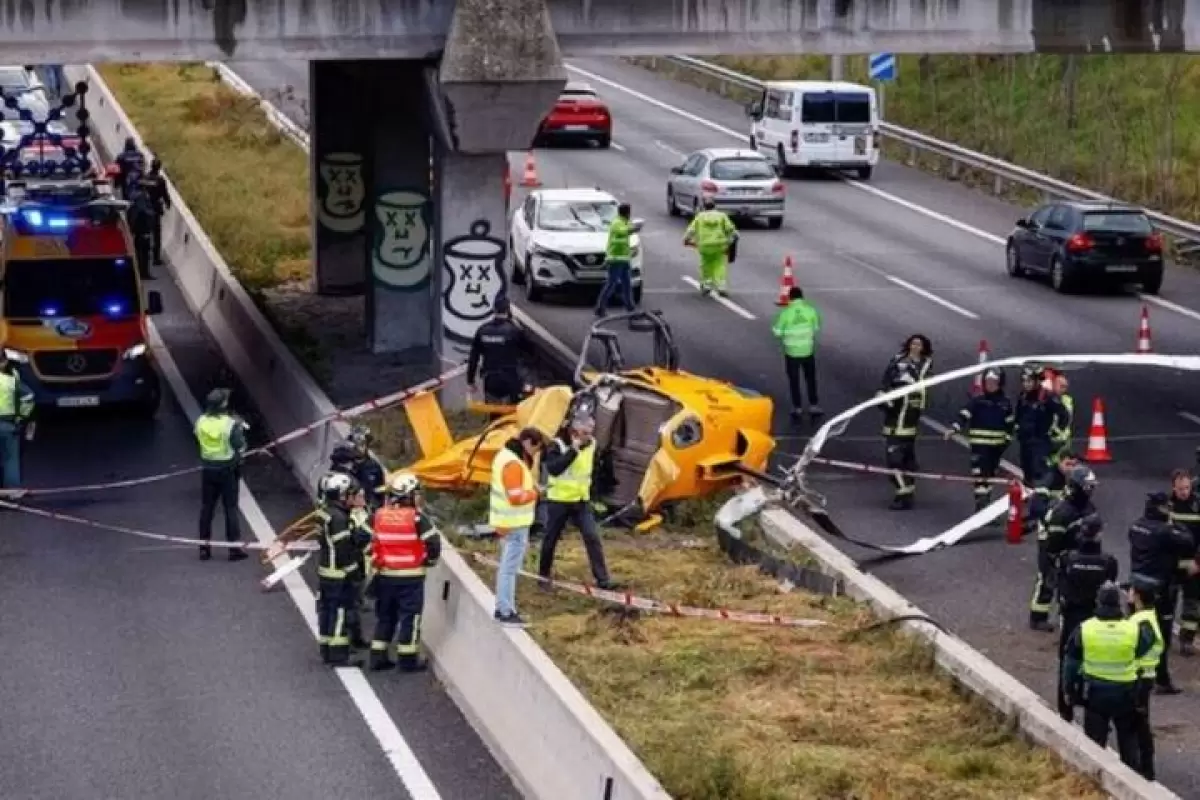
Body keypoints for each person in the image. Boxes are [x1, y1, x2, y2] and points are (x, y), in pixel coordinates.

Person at [1061, 581, 1154, 773]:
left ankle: (1092, 781)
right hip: (1126, 695)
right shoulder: (1132, 629)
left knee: (1094, 747)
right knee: (1128, 742)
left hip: (1096, 696)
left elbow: (1070, 664)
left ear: (1098, 603)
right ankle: (1132, 779)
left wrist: (1069, 690)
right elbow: (1144, 647)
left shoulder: (1085, 629)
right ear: (1118, 605)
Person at [369, 472, 441, 672]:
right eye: (417, 493)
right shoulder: (417, 518)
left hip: (385, 576)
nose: (419, 497)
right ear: (409, 495)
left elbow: (366, 539)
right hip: (411, 577)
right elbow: (433, 543)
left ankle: (377, 656)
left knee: (385, 616)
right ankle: (407, 660)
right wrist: (430, 560)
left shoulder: (379, 515)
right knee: (410, 618)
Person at [538, 413, 619, 590]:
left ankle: (603, 579)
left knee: (592, 536)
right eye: (585, 432)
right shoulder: (557, 444)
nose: (588, 436)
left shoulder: (592, 444)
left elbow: (593, 468)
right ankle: (543, 577)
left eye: (590, 431)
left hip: (581, 501)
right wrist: (573, 451)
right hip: (558, 500)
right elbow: (554, 469)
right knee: (550, 539)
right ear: (575, 430)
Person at [1129, 491, 1196, 693]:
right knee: (1161, 634)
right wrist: (1174, 523)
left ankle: (1135, 673)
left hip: (1138, 585)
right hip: (1160, 588)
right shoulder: (1164, 531)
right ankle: (1161, 679)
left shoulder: (1136, 526)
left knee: (1138, 629)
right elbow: (1188, 540)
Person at [1055, 515, 1117, 721]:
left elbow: (1060, 585)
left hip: (1072, 617)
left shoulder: (1067, 559)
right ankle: (1095, 711)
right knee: (1097, 663)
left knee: (1067, 659)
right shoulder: (1108, 562)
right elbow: (1110, 588)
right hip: (1095, 618)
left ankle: (1065, 706)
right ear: (1098, 534)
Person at [1030, 464, 1097, 632]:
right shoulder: (1062, 510)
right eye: (1088, 487)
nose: (1090, 490)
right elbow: (1055, 539)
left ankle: (1069, 618)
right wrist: (1055, 556)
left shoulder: (1087, 506)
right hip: (1051, 546)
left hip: (1072, 547)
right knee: (1048, 579)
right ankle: (1038, 617)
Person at [489, 426, 546, 625]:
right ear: (528, 442)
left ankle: (505, 608)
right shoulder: (513, 463)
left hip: (506, 522)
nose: (534, 454)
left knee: (508, 568)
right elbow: (515, 497)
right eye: (535, 449)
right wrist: (535, 494)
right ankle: (505, 611)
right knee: (509, 569)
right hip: (514, 523)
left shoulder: (505, 456)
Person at [946, 367, 1014, 512]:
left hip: (996, 448)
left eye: (994, 382)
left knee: (990, 476)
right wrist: (954, 428)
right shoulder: (977, 401)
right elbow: (963, 415)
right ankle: (981, 506)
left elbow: (1010, 424)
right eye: (988, 382)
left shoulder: (1005, 403)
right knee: (979, 476)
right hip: (979, 447)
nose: (990, 385)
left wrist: (1006, 441)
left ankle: (985, 505)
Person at [878, 334, 933, 511]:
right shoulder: (896, 360)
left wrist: (908, 379)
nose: (915, 347)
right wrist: (884, 395)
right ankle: (905, 492)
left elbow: (922, 383)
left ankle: (904, 493)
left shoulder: (925, 364)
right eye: (913, 343)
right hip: (893, 413)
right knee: (898, 458)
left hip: (908, 413)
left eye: (919, 344)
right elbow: (886, 380)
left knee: (898, 459)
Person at [314, 471, 364, 667]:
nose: (354, 497)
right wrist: (353, 572)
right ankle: (338, 655)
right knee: (339, 612)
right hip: (339, 574)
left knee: (326, 611)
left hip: (326, 571)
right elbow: (343, 549)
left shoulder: (325, 512)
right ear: (343, 495)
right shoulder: (339, 518)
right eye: (351, 494)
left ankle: (326, 649)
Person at [195, 388, 248, 561]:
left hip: (208, 471)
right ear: (223, 405)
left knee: (207, 508)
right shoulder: (230, 424)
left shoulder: (201, 421)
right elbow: (240, 447)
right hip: (227, 471)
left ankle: (204, 548)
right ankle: (234, 550)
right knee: (230, 509)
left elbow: (198, 437)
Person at [1127, 576, 1166, 781]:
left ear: (1139, 596)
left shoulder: (1142, 622)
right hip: (1142, 678)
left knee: (1138, 725)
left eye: (1131, 591)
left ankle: (1145, 769)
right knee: (1137, 723)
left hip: (1139, 679)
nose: (1128, 594)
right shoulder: (1146, 617)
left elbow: (1134, 650)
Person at [467, 296, 531, 405]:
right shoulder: (514, 330)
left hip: (490, 380)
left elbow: (473, 358)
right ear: (508, 310)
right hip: (511, 380)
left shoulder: (482, 330)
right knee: (513, 413)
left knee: (494, 412)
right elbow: (529, 351)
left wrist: (470, 381)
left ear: (494, 310)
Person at [771, 286, 823, 420]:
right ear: (802, 297)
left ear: (790, 298)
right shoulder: (810, 311)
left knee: (794, 380)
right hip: (807, 351)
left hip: (792, 352)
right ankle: (813, 405)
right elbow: (816, 327)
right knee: (810, 379)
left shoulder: (785, 313)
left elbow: (777, 332)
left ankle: (797, 407)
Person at [1014, 364, 1068, 489]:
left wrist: (1056, 431)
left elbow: (1063, 415)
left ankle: (1041, 497)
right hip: (1025, 441)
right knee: (1026, 468)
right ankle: (1029, 491)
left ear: (1037, 381)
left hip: (1040, 441)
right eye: (1024, 381)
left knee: (1039, 470)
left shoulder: (1047, 397)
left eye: (1029, 381)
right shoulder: (1023, 397)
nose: (1026, 384)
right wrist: (1017, 428)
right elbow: (1019, 414)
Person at [1167, 469, 1200, 656]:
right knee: (1166, 603)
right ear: (1174, 487)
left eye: (1187, 488)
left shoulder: (1198, 504)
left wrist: (1198, 562)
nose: (1184, 492)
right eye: (1180, 489)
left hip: (1192, 566)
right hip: (1172, 565)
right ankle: (1164, 637)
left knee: (1192, 604)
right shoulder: (1166, 506)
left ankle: (1187, 640)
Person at [683, 196, 738, 296]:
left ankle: (707, 284)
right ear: (715, 206)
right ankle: (721, 286)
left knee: (705, 264)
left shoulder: (700, 216)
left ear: (704, 207)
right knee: (719, 265)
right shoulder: (721, 216)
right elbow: (731, 229)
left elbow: (691, 230)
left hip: (704, 245)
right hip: (719, 244)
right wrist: (733, 238)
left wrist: (686, 240)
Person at [0, 349, 34, 492]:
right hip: (8, 424)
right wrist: (22, 417)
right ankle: (11, 490)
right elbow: (28, 397)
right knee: (10, 459)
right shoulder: (11, 380)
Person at [594, 202, 636, 317]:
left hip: (623, 259)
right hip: (615, 259)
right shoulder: (617, 223)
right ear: (627, 213)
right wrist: (632, 229)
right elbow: (623, 232)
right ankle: (600, 308)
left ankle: (630, 307)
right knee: (611, 284)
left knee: (627, 284)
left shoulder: (623, 222)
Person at [345, 482, 374, 650]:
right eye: (360, 496)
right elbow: (358, 541)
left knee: (355, 603)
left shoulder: (363, 512)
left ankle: (355, 637)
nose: (364, 499)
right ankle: (352, 639)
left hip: (362, 566)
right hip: (354, 566)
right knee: (351, 604)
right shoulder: (351, 517)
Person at [1024, 452, 1080, 538]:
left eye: (1074, 465)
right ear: (1059, 462)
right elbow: (1036, 506)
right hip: (1049, 518)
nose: (1070, 468)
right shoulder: (1049, 478)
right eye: (1067, 464)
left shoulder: (1076, 479)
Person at [347, 424, 387, 511]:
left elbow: (380, 494)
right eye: (356, 444)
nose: (359, 448)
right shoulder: (345, 465)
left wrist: (374, 509)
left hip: (367, 512)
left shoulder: (374, 467)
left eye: (362, 444)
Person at [127, 179, 157, 280]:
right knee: (144, 253)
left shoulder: (134, 196)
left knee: (139, 252)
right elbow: (144, 212)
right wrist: (151, 215)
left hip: (138, 230)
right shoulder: (142, 197)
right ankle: (143, 273)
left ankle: (140, 272)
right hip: (143, 229)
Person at [145, 158, 170, 267]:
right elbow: (165, 194)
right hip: (155, 208)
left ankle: (144, 256)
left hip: (145, 208)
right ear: (159, 167)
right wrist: (168, 203)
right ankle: (156, 258)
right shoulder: (160, 180)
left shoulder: (145, 178)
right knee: (156, 234)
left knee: (145, 233)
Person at [1049, 370, 1074, 467]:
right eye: (1061, 386)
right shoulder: (1050, 399)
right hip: (1055, 438)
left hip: (1061, 439)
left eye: (1065, 387)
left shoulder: (1066, 401)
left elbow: (1066, 418)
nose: (1063, 389)